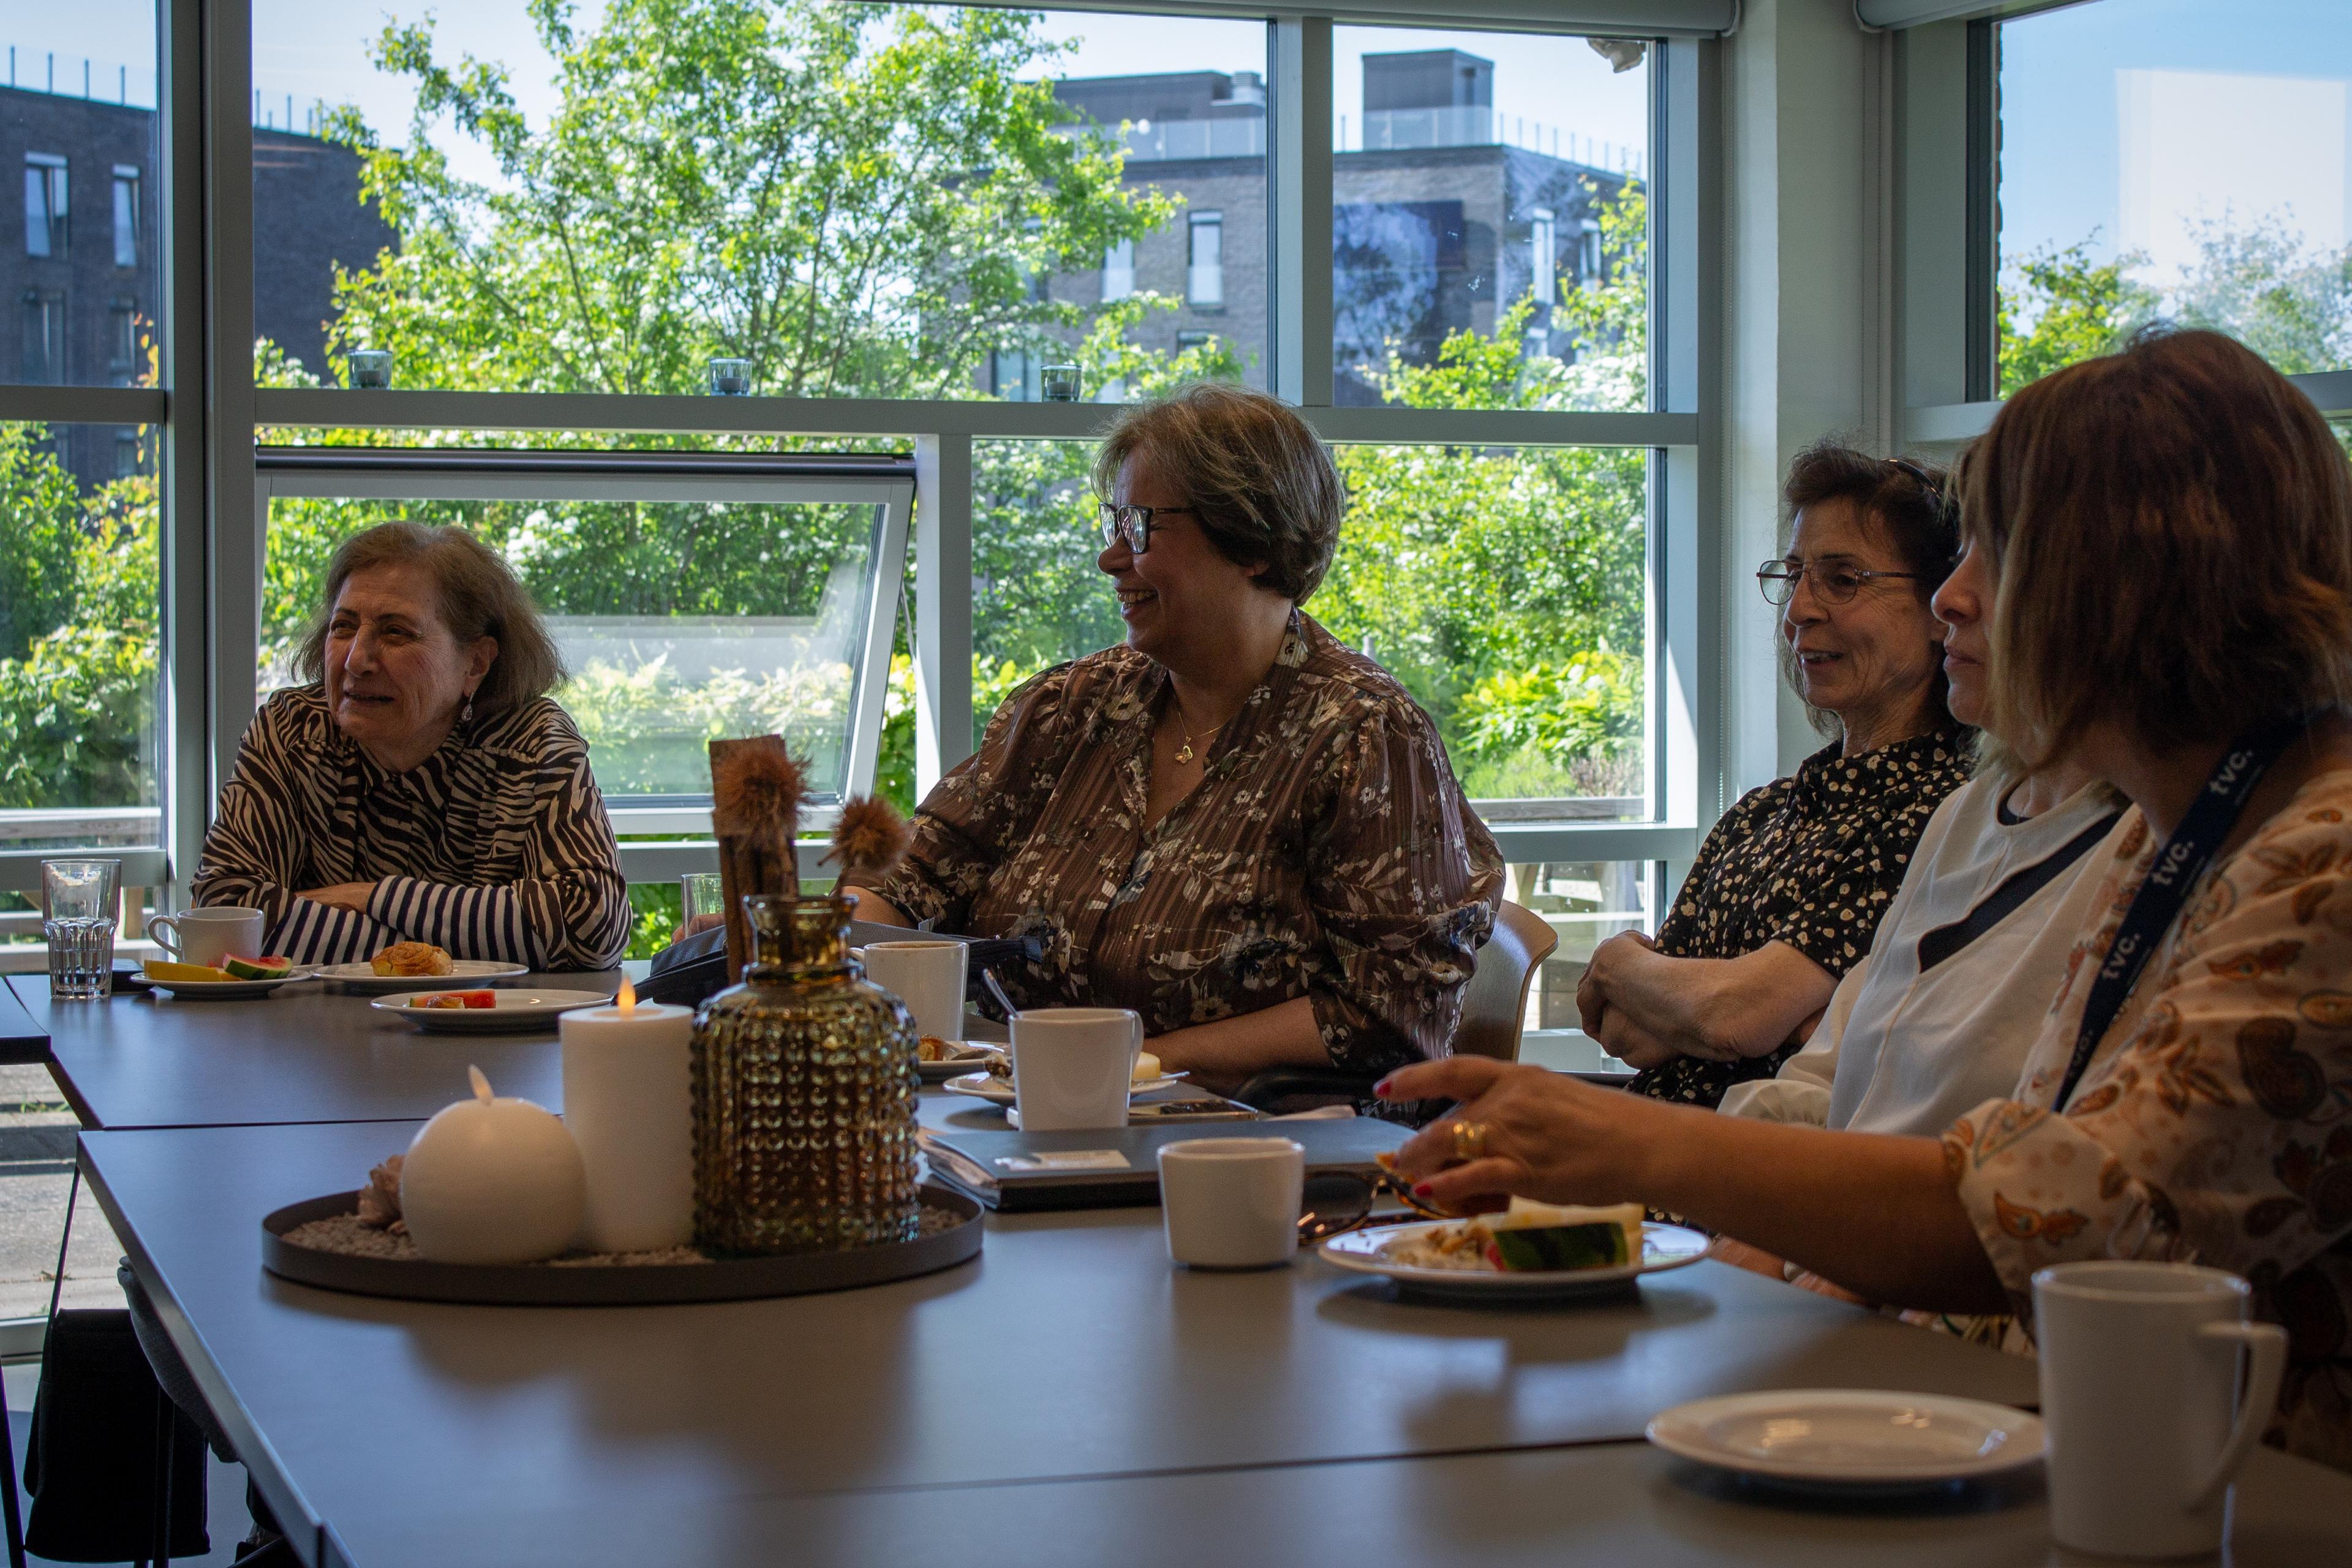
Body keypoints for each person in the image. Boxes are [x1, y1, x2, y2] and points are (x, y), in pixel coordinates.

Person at [1379, 328, 2352, 1471]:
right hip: (2112, 1452)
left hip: (2244, 1496)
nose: (1956, 596)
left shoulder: (2324, 866)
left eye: (2000, 550)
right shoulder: (2175, 829)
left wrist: (1634, 1150)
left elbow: (2064, 1225)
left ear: (2136, 582)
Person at [847, 383, 1503, 1096]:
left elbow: (1396, 1013)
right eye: (1113, 522)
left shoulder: (1366, 737)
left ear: (1252, 539)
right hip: (1028, 1121)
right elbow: (910, 888)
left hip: (1262, 1158)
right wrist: (797, 943)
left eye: (1139, 525)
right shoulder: (1069, 710)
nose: (1109, 557)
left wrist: (1130, 1064)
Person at [1577, 442, 1972, 1110]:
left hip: (1751, 1182)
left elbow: (1734, 1017)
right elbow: (1628, 1033)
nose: (1799, 611)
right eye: (1794, 577)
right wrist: (1718, 1007)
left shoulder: (1943, 814)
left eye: (1843, 580)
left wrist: (1621, 963)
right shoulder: (1763, 812)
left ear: (1943, 607)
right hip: (1654, 1158)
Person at [190, 520, 630, 971]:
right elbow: (222, 919)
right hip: (315, 1035)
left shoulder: (532, 743)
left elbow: (591, 925)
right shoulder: (292, 732)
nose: (357, 659)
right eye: (343, 627)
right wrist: (465, 944)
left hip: (482, 1035)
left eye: (396, 632)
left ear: (475, 663)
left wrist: (372, 897)